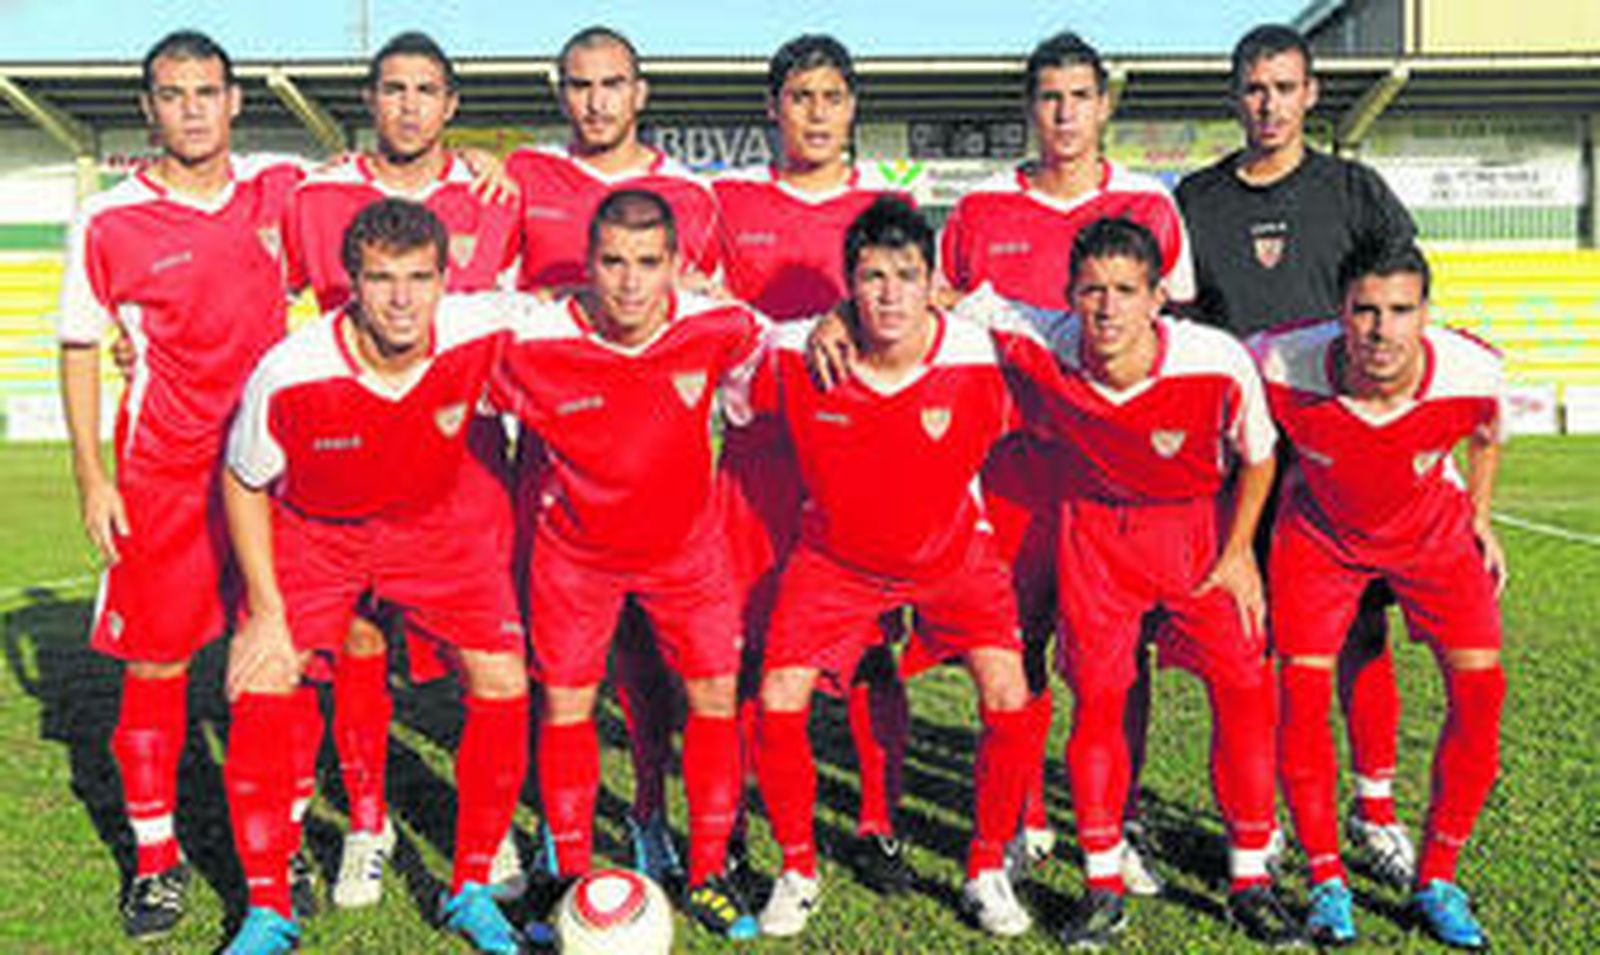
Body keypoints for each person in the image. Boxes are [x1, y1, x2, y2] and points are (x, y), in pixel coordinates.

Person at [976, 217, 1300, 948]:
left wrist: (1241, 548)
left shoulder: (1214, 359)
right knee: (1098, 701)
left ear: (1159, 298)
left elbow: (1259, 453)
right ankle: (1101, 882)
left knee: (1245, 690)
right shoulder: (1042, 337)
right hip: (1095, 539)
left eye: (1126, 290)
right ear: (1068, 296)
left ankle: (1251, 875)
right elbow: (957, 301)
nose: (1108, 307)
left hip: (1197, 536)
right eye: (1092, 290)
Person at [220, 199, 529, 955]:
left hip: (435, 530)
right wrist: (264, 610)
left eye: (419, 278)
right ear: (350, 282)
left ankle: (470, 886)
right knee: (257, 680)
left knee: (503, 679)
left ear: (443, 280)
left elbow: (585, 308)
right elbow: (243, 476)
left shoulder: (480, 324)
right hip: (318, 536)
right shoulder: (291, 369)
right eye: (382, 279)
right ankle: (268, 910)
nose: (402, 298)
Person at [57, 29, 307, 940]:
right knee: (157, 666)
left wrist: (487, 161)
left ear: (235, 100)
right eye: (174, 94)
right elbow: (81, 346)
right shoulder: (110, 218)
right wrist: (92, 476)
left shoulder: (284, 190)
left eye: (208, 91)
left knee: (272, 662)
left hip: (274, 474)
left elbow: (390, 186)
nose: (193, 108)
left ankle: (277, 847)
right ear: (148, 107)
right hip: (163, 477)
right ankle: (158, 860)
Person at [936, 30, 1197, 885]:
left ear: (1104, 104)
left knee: (1118, 658)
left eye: (1080, 96)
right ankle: (1025, 815)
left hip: (1110, 478)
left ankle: (1117, 820)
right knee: (1017, 646)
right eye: (1049, 96)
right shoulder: (979, 210)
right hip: (1013, 468)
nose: (1064, 113)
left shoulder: (1150, 205)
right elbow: (944, 317)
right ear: (1030, 105)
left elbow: (1178, 335)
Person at [279, 29, 525, 910]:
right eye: (393, 88)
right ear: (370, 99)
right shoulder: (317, 196)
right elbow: (280, 315)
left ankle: (484, 833)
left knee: (482, 659)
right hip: (347, 473)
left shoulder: (502, 196)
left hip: (464, 474)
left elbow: (533, 313)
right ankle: (370, 822)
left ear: (452, 105)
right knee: (357, 645)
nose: (410, 105)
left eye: (427, 90)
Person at [747, 198, 1034, 940]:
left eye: (907, 276)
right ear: (847, 285)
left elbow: (1060, 325)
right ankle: (797, 868)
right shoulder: (792, 349)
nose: (890, 294)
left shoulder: (978, 349)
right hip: (834, 559)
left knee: (1009, 695)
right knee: (778, 698)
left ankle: (986, 868)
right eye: (872, 278)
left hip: (951, 556)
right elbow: (715, 369)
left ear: (932, 280)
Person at [1177, 23, 1421, 887]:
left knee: (1361, 634)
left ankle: (1376, 808)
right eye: (1254, 87)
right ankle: (1268, 816)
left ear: (1311, 93)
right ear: (1235, 94)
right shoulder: (1197, 199)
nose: (1269, 103)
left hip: (1340, 456)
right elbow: (1179, 329)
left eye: (1285, 86)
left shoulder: (1355, 190)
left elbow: (1404, 294)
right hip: (1244, 458)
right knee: (1257, 640)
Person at [492, 190, 763, 940]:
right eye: (613, 262)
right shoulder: (531, 336)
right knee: (566, 706)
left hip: (688, 552)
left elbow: (768, 357)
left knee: (711, 695)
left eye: (649, 263)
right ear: (587, 265)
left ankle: (707, 870)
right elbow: (451, 330)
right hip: (574, 556)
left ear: (678, 265)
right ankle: (569, 872)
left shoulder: (720, 326)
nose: (631, 282)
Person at [505, 27, 721, 878]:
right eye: (580, 85)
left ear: (641, 90)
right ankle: (558, 845)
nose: (597, 101)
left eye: (612, 84)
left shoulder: (690, 194)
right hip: (555, 467)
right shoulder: (519, 176)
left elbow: (714, 309)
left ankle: (653, 816)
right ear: (561, 92)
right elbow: (485, 297)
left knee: (656, 666)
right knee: (557, 672)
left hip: (661, 480)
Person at [1253, 243, 1506, 950]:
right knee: (1299, 691)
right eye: (1364, 309)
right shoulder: (1277, 361)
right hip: (1319, 539)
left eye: (1400, 310)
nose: (1381, 329)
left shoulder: (1472, 367)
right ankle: (1329, 878)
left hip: (1431, 534)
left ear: (1426, 313)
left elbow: (1486, 433)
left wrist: (1481, 517)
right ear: (1339, 311)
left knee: (1482, 691)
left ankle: (1438, 878)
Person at [714, 33, 919, 894]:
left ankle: (878, 823)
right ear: (773, 107)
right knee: (746, 650)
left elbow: (921, 317)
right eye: (801, 97)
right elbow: (706, 315)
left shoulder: (888, 204)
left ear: (853, 106)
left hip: (863, 463)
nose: (818, 114)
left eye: (833, 97)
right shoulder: (725, 201)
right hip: (759, 462)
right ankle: (731, 824)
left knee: (875, 649)